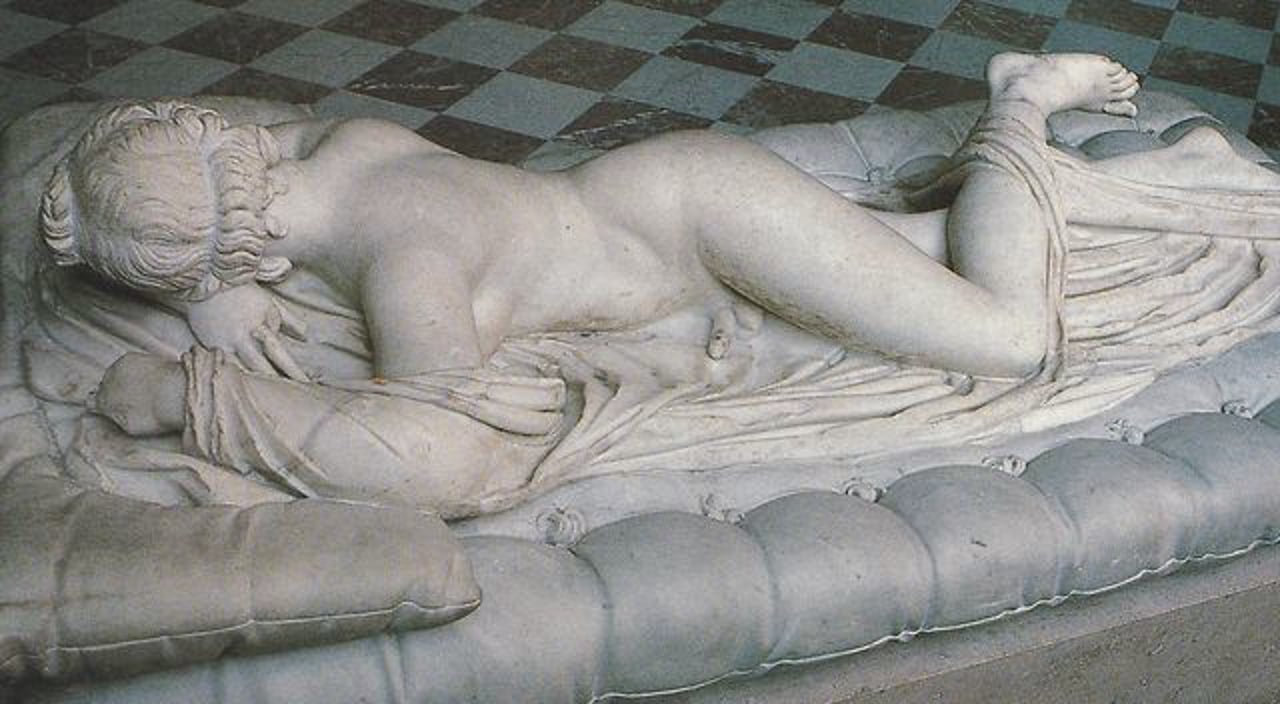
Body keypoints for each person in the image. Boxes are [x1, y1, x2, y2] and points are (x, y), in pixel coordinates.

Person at [40, 52, 1280, 514]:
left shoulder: (406, 268)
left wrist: (198, 395)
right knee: (919, 264)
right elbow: (252, 152)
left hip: (701, 213)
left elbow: (443, 454)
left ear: (243, 249)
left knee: (1008, 340)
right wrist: (209, 292)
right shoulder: (337, 149)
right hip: (667, 221)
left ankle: (1019, 102)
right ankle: (1150, 178)